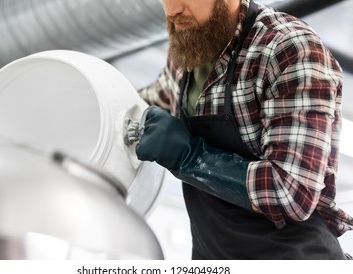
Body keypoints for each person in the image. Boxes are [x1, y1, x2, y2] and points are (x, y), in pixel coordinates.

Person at [135, 0, 353, 259]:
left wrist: (190, 157)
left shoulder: (287, 49)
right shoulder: (187, 51)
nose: (172, 11)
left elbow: (292, 192)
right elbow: (142, 103)